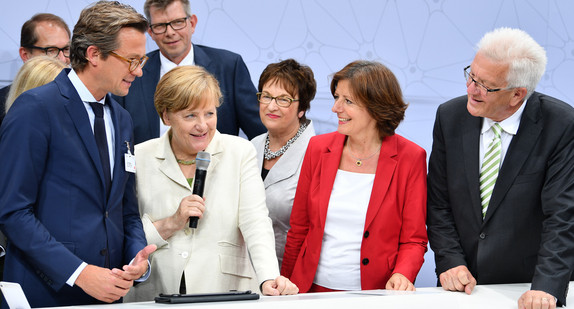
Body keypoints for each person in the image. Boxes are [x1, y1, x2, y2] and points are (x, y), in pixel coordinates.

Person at [0, 1, 155, 307]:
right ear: (94, 54)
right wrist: (80, 273)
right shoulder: (36, 108)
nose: (138, 72)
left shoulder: (121, 119)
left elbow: (125, 210)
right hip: (43, 294)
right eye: (131, 60)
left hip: (109, 295)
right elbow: (13, 212)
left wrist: (138, 255)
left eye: (142, 61)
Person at [426, 27, 574, 309]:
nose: (470, 89)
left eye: (484, 85)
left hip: (528, 290)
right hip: (463, 287)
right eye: (471, 75)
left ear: (517, 95)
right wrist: (450, 261)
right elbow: (439, 203)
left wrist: (545, 287)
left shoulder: (561, 125)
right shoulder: (449, 116)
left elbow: (563, 216)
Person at [124, 65, 298, 302]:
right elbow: (124, 229)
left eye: (209, 113)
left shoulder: (239, 152)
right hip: (156, 290)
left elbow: (255, 222)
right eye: (190, 115)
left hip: (224, 290)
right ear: (166, 115)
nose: (203, 125)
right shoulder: (140, 156)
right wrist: (170, 223)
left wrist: (268, 277)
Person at [281, 60, 428, 293]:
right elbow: (299, 229)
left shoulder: (410, 158)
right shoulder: (318, 148)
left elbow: (414, 239)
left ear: (376, 107)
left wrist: (402, 273)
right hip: (310, 290)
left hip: (376, 293)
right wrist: (286, 284)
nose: (335, 108)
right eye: (336, 97)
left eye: (347, 101)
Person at [113, 0, 265, 144]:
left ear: (192, 23)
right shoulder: (133, 72)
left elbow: (261, 133)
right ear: (150, 32)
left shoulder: (229, 66)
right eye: (160, 26)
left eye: (177, 22)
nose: (170, 32)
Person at [251, 59, 316, 267]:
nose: (271, 106)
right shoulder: (250, 147)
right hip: (247, 272)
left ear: (302, 108)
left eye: (283, 100)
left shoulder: (317, 154)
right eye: (267, 96)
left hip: (292, 273)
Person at [0, 13, 71, 127]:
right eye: (51, 50)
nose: (63, 59)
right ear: (25, 55)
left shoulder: (81, 100)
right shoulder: (2, 104)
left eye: (67, 49)